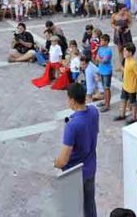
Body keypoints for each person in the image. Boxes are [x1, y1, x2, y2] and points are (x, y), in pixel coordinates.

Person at [54, 83, 99, 217]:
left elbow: (63, 160)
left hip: (74, 172)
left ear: (72, 100)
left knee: (71, 208)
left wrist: (55, 163)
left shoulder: (72, 126)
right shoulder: (94, 111)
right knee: (90, 204)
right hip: (90, 167)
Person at [115, 43, 137, 125]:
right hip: (125, 85)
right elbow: (125, 69)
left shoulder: (133, 63)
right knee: (123, 99)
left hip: (131, 87)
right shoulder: (126, 60)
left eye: (126, 51)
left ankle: (134, 117)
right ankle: (122, 114)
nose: (124, 52)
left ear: (130, 53)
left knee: (133, 103)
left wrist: (134, 80)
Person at [96, 34, 113, 112]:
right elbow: (97, 58)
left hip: (107, 71)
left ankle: (107, 105)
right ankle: (105, 101)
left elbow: (104, 60)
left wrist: (100, 59)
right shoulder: (100, 49)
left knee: (107, 88)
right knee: (104, 87)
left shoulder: (108, 50)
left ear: (106, 42)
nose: (101, 41)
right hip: (102, 70)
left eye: (102, 40)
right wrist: (100, 59)